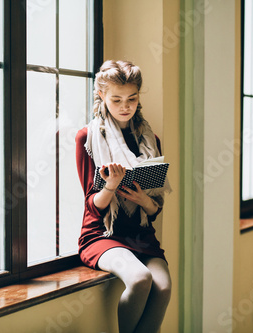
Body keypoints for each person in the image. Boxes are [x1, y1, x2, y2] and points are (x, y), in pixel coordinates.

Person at [75, 60, 172, 333]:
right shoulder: (87, 137)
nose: (124, 106)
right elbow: (93, 207)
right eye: (116, 99)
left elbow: (154, 210)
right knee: (140, 279)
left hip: (141, 234)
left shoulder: (149, 138)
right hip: (102, 235)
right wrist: (110, 186)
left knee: (163, 287)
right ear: (101, 96)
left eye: (131, 98)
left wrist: (144, 201)